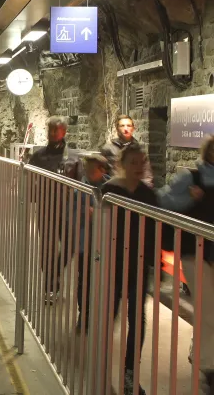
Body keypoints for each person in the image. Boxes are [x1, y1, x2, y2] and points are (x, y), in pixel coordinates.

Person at [158, 135, 214, 391]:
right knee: (208, 308)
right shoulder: (190, 177)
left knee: (208, 308)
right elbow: (162, 201)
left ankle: (199, 352)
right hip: (195, 251)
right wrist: (188, 199)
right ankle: (207, 366)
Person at [101, 144, 156, 395]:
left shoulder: (148, 195)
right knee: (108, 314)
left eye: (142, 162)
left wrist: (155, 262)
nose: (138, 167)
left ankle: (129, 374)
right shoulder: (110, 190)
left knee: (136, 318)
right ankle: (100, 363)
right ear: (122, 164)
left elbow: (155, 229)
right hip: (113, 262)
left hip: (138, 264)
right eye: (133, 162)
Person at [28, 116, 82, 302]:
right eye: (50, 129)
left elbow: (80, 181)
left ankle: (55, 272)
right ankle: (50, 287)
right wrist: (34, 195)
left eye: (56, 130)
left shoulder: (72, 156)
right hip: (46, 206)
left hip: (68, 208)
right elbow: (29, 178)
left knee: (71, 244)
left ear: (64, 131)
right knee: (48, 247)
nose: (52, 133)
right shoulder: (38, 156)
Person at [69, 154, 110, 333]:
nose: (88, 172)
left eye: (92, 169)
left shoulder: (111, 187)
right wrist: (85, 213)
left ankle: (101, 316)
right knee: (85, 279)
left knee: (104, 281)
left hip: (105, 242)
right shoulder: (79, 190)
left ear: (102, 170)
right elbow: (72, 214)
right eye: (87, 169)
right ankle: (84, 316)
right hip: (85, 242)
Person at [100, 115, 153, 187]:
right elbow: (101, 173)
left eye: (129, 125)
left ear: (133, 128)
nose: (126, 129)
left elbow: (147, 174)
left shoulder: (139, 150)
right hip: (115, 189)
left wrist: (144, 189)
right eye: (122, 126)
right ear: (117, 128)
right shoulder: (108, 149)